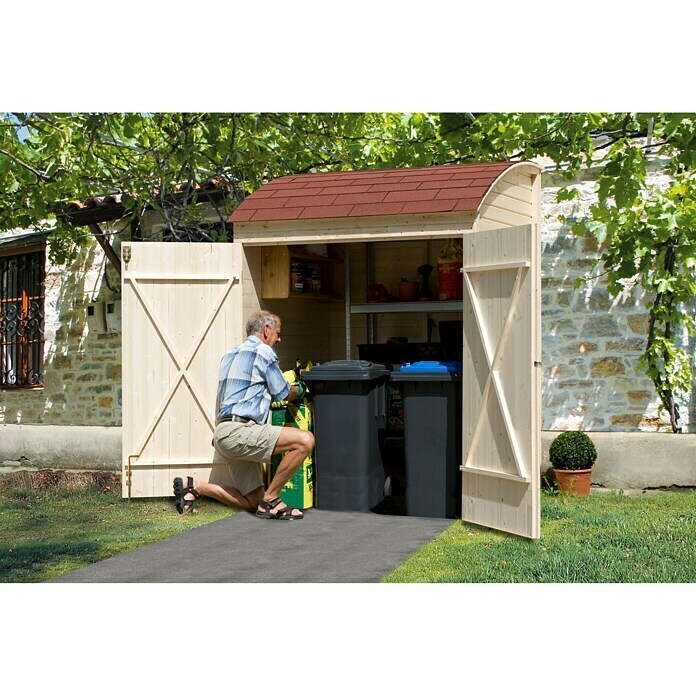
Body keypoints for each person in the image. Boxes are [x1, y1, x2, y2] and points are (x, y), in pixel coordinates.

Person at [173, 310, 314, 521]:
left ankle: (194, 486)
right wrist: (303, 389)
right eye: (278, 332)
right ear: (266, 330)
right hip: (242, 431)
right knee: (305, 440)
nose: (279, 338)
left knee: (252, 503)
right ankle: (272, 500)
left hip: (223, 435)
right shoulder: (264, 352)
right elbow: (283, 393)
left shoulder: (229, 355)